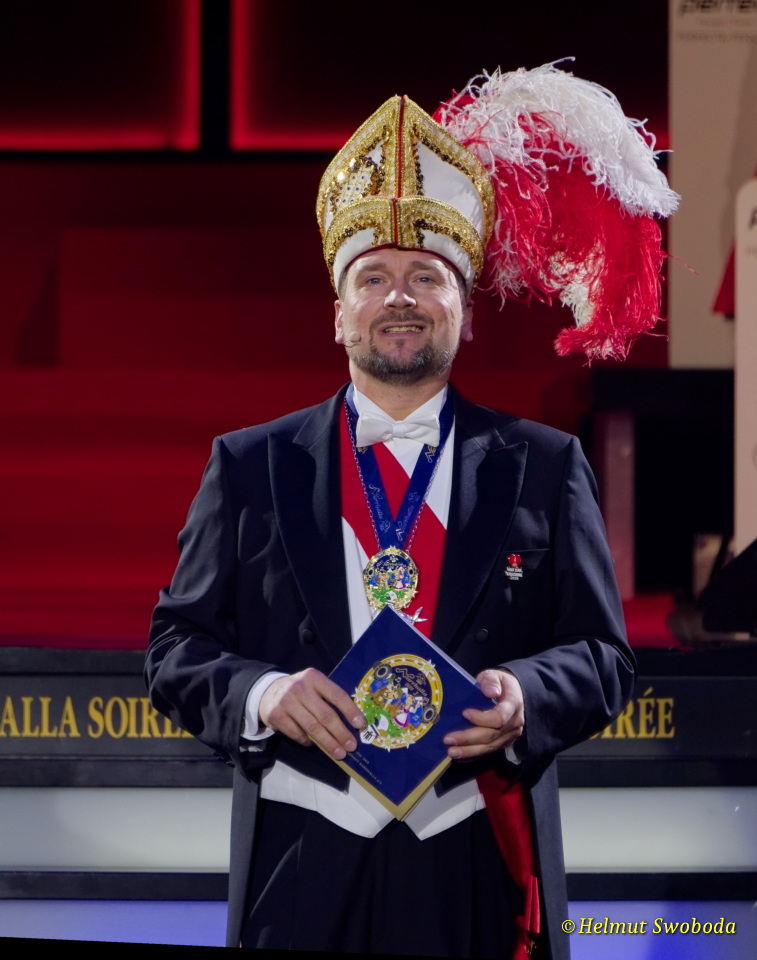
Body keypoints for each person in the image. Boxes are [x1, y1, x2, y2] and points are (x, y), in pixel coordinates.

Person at [145, 63, 677, 959]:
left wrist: (523, 696)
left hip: (476, 846)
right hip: (303, 850)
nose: (400, 297)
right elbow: (175, 650)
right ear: (338, 313)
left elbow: (601, 656)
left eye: (427, 276)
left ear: (465, 311)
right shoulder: (247, 464)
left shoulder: (545, 465)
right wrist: (266, 694)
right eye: (374, 277)